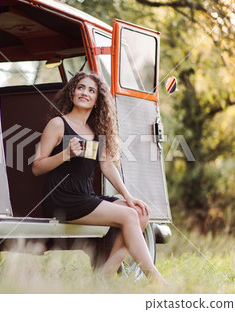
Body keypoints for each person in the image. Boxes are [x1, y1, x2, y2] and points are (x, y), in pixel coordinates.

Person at [32, 72, 167, 285]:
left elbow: (106, 165)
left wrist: (128, 197)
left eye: (91, 90)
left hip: (85, 196)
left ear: (98, 100)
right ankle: (156, 280)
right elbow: (37, 167)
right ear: (72, 92)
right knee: (129, 217)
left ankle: (102, 277)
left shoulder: (96, 131)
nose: (85, 92)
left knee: (139, 213)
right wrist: (65, 154)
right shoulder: (58, 124)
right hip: (61, 197)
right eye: (80, 87)